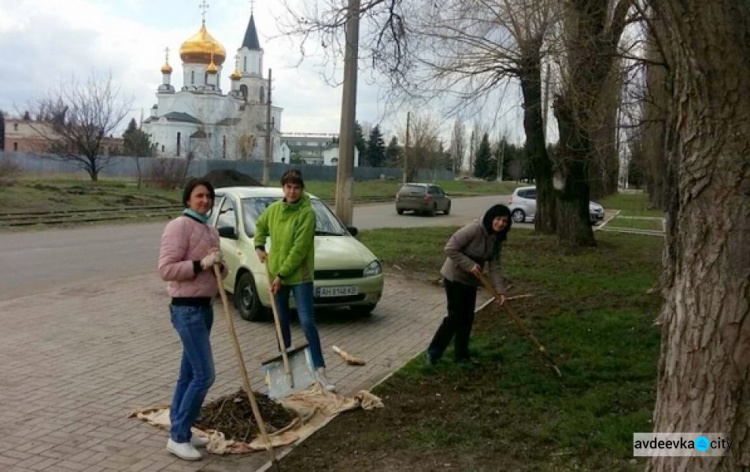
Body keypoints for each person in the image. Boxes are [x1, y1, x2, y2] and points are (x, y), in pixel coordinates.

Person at [158, 178, 225, 461]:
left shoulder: (211, 230)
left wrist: (220, 266)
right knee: (204, 375)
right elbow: (166, 269)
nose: (205, 201)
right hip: (186, 310)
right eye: (199, 196)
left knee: (188, 374)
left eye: (208, 196)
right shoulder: (178, 226)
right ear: (188, 200)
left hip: (205, 308)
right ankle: (178, 437)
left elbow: (218, 273)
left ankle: (181, 428)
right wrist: (200, 264)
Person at [254, 169, 336, 392]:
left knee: (307, 321)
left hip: (299, 277)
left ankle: (320, 370)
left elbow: (299, 250)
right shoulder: (273, 210)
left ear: (302, 189)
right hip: (276, 275)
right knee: (281, 322)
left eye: (297, 187)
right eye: (288, 187)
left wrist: (281, 275)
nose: (292, 191)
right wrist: (259, 246)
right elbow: (259, 226)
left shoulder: (306, 214)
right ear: (283, 188)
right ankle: (286, 365)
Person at [425, 204, 512, 365]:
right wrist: (469, 264)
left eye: (504, 221)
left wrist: (500, 291)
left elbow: (495, 265)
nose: (500, 223)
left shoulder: (496, 238)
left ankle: (462, 355)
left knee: (467, 318)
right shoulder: (474, 229)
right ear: (491, 218)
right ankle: (433, 353)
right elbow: (450, 248)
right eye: (498, 219)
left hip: (472, 280)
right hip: (454, 277)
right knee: (455, 316)